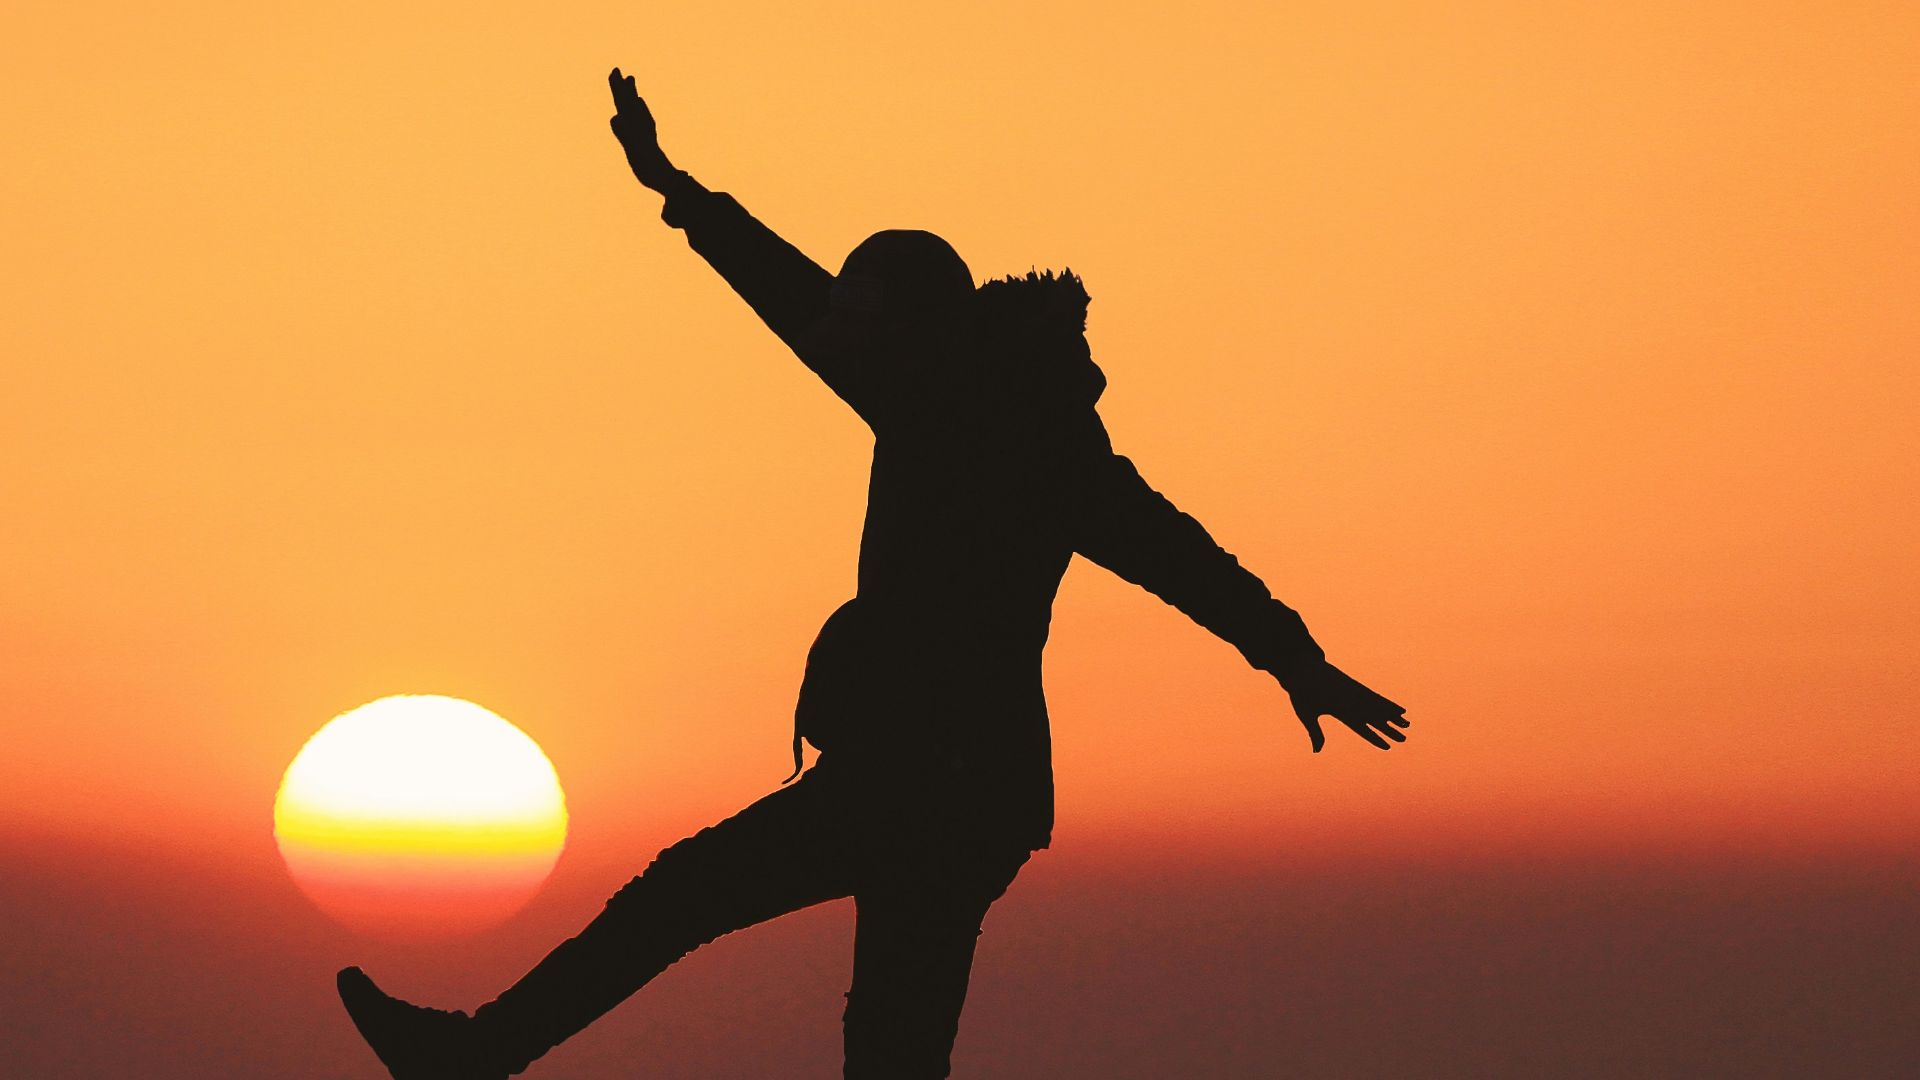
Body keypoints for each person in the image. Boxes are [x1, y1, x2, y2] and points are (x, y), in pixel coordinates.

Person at [333, 67, 1411, 1080]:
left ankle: (472, 1059)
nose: (837, 336)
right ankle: (473, 1056)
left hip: (931, 786)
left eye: (859, 315)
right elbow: (798, 299)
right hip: (952, 790)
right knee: (880, 1041)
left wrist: (1296, 660)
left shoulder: (997, 428)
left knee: (691, 899)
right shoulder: (958, 395)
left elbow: (1187, 561)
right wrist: (676, 191)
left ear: (903, 326)